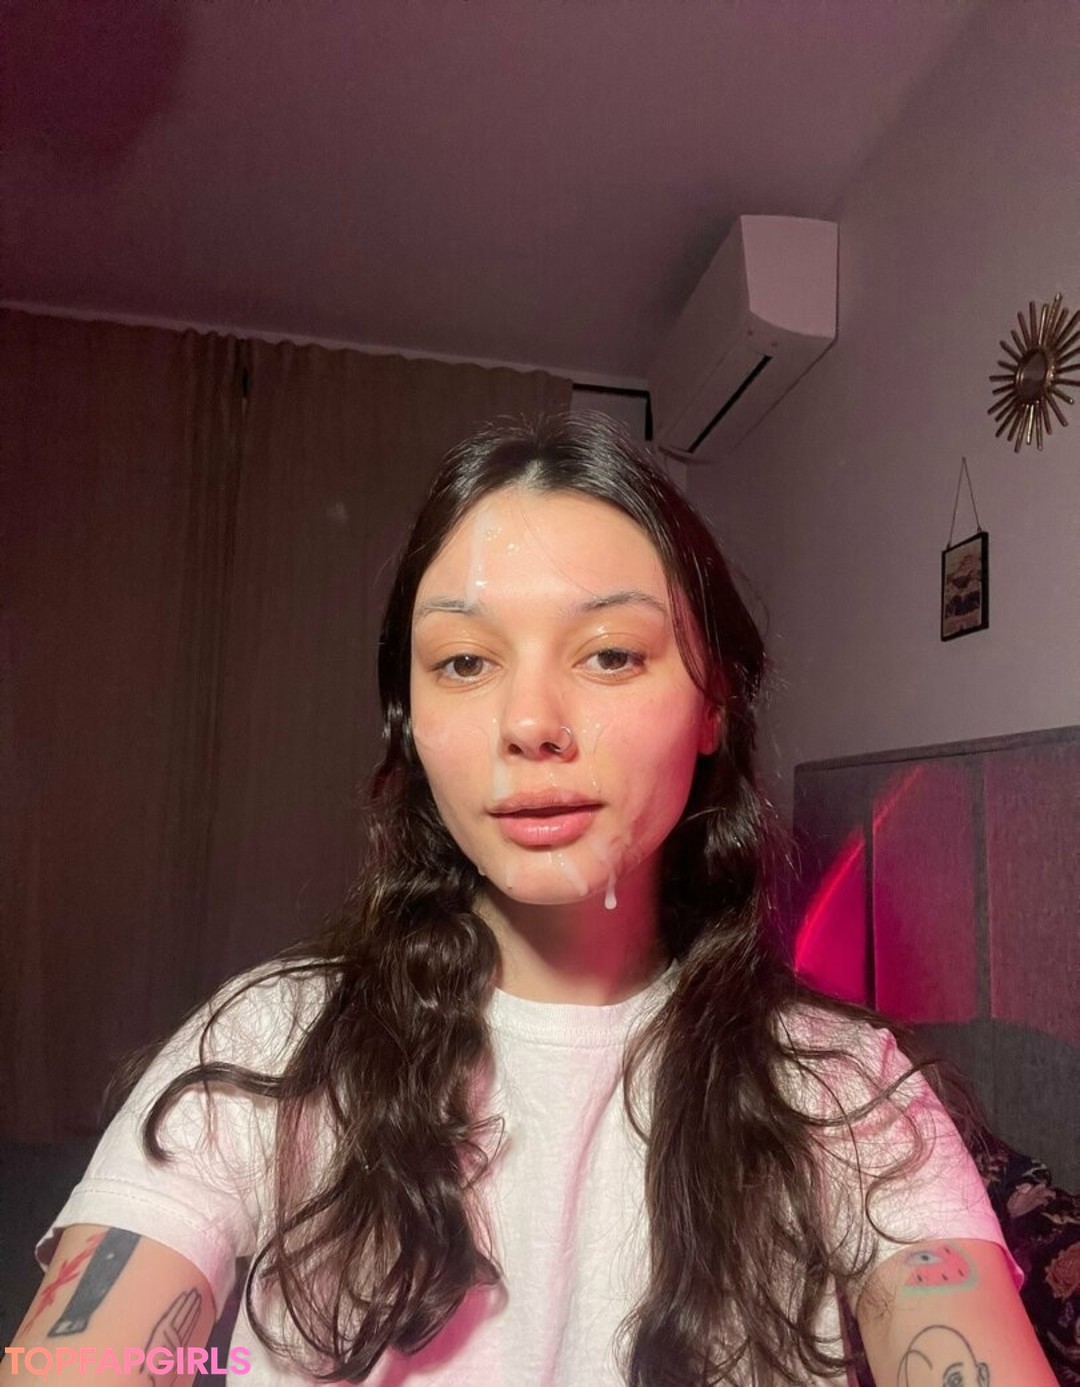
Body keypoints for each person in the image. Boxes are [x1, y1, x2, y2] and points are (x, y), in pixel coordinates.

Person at [4, 414, 1055, 1386]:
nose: (530, 721)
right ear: (411, 723)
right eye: (465, 661)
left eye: (611, 653)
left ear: (714, 706)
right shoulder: (270, 1044)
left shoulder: (848, 1092)